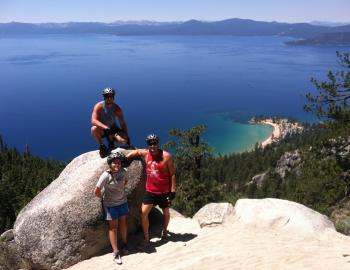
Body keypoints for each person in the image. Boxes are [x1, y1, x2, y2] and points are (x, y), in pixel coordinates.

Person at [126, 134, 176, 248]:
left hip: (164, 191)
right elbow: (137, 152)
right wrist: (126, 157)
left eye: (154, 143)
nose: (152, 145)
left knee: (166, 212)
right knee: (143, 213)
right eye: (150, 143)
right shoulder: (146, 154)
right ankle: (146, 238)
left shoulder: (167, 156)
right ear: (148, 145)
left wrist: (173, 191)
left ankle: (165, 232)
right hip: (151, 191)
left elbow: (172, 174)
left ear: (158, 143)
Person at [94, 152, 129, 265]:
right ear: (110, 164)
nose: (117, 165)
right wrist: (103, 199)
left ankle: (124, 244)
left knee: (123, 223)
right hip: (111, 205)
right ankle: (116, 251)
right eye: (114, 163)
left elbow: (126, 182)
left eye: (118, 163)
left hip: (123, 202)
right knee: (113, 228)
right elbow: (97, 190)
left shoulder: (124, 172)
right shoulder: (106, 175)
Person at [91, 87, 130, 158]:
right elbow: (93, 120)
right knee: (93, 129)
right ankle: (102, 146)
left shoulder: (117, 108)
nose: (109, 98)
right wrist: (106, 128)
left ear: (113, 97)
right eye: (107, 96)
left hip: (114, 129)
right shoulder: (99, 106)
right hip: (103, 129)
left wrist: (127, 135)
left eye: (111, 96)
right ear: (104, 97)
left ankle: (111, 141)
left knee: (123, 141)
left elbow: (122, 123)